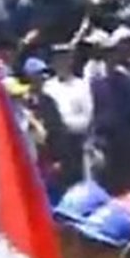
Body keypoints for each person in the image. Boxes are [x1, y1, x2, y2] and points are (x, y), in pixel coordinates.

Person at [87, 30, 130, 194]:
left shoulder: (125, 81)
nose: (110, 58)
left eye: (113, 53)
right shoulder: (96, 83)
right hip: (104, 143)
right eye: (107, 54)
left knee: (126, 186)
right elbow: (92, 114)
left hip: (124, 144)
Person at [20, 57, 70, 201]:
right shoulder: (21, 102)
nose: (43, 78)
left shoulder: (48, 102)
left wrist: (58, 159)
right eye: (38, 74)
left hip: (47, 161)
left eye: (44, 74)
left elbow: (58, 130)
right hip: (28, 159)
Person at [45, 43, 93, 187]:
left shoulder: (81, 85)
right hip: (53, 147)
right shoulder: (48, 87)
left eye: (64, 59)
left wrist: (65, 125)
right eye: (57, 59)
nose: (61, 63)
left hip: (75, 144)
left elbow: (88, 117)